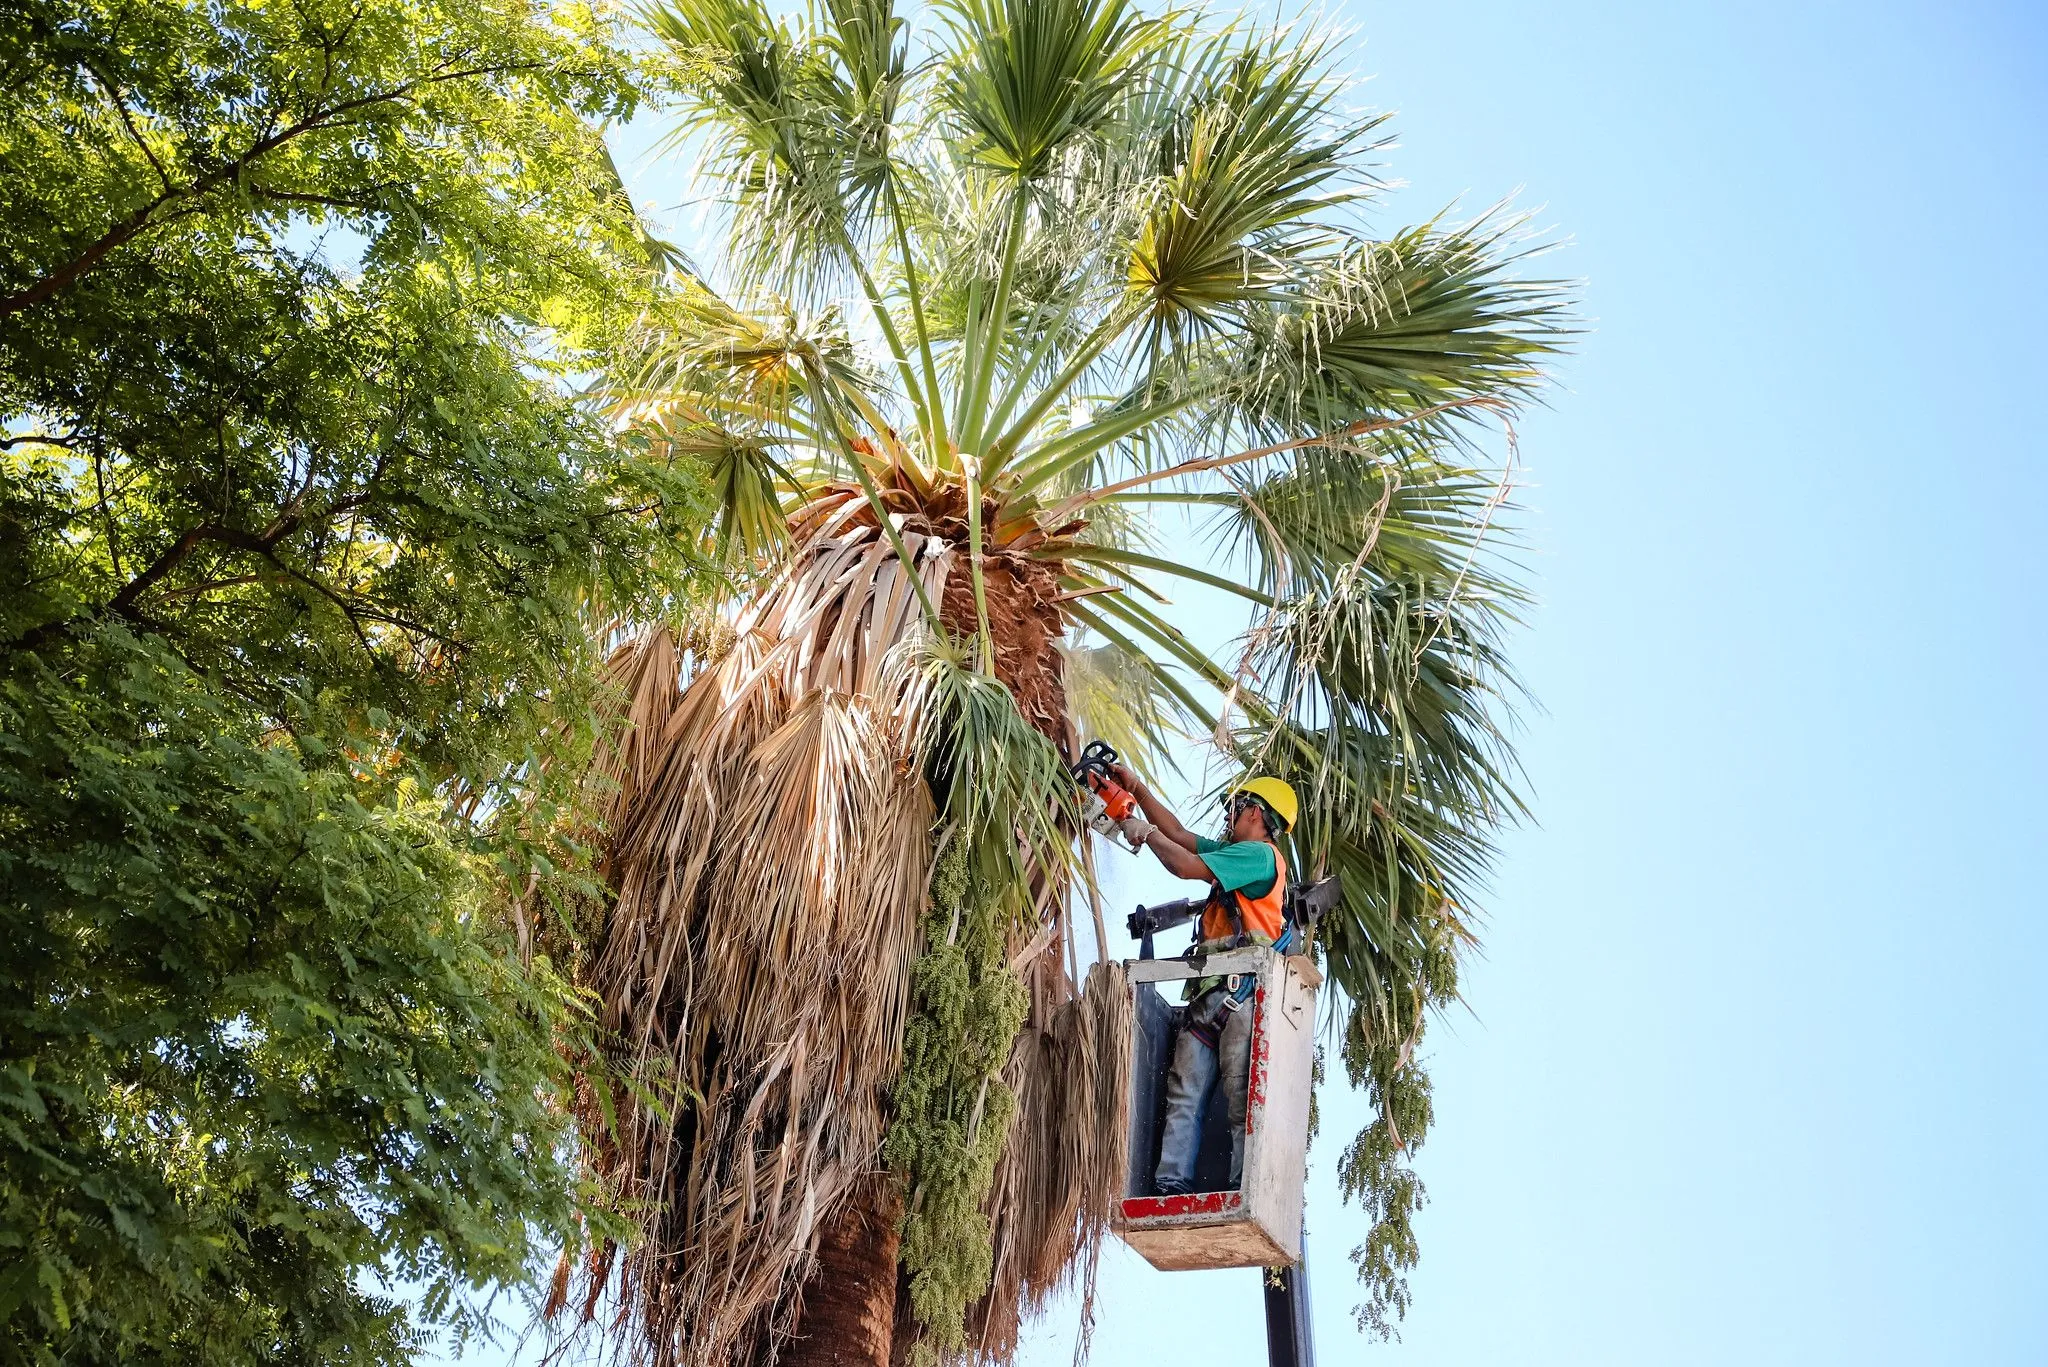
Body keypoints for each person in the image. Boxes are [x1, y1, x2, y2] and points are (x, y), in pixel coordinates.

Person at [1108, 764, 1300, 1196]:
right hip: (1210, 995)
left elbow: (1182, 864)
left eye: (1237, 809)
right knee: (1184, 1091)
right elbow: (1178, 833)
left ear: (1256, 813)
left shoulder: (1261, 856)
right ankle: (1170, 1183)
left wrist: (1140, 830)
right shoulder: (1235, 855)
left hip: (1238, 994)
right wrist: (1135, 789)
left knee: (1236, 1096)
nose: (1231, 817)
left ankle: (1238, 1185)